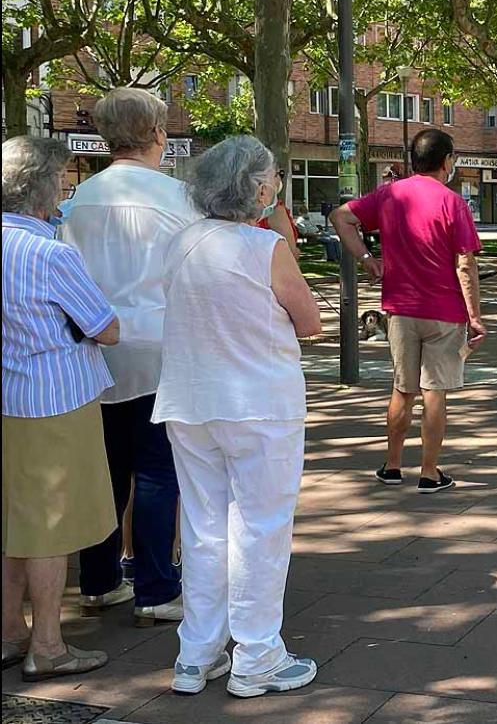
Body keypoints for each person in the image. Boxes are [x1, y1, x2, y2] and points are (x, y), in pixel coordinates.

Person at [152, 136, 322, 697]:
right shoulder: (264, 247)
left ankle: (197, 652)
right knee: (260, 528)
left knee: (203, 527)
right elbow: (310, 321)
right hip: (259, 404)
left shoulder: (180, 242)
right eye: (270, 178)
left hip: (190, 400)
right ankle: (257, 653)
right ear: (257, 187)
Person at [61, 88, 195, 627]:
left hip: (93, 345)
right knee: (160, 469)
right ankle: (158, 587)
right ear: (158, 134)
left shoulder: (77, 199)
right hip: (162, 344)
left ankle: (98, 579)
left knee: (106, 467)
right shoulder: (176, 198)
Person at [3, 136, 119, 680]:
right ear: (44, 187)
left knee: (14, 520)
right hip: (54, 400)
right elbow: (106, 327)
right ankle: (47, 645)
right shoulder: (50, 253)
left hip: (8, 396)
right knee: (49, 526)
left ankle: (9, 630)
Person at [330, 128, 485, 489]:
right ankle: (430, 472)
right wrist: (475, 316)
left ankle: (393, 465)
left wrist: (367, 258)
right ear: (447, 161)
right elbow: (465, 264)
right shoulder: (453, 203)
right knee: (435, 392)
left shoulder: (389, 195)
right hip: (445, 312)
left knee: (403, 389)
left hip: (400, 309)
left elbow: (341, 217)